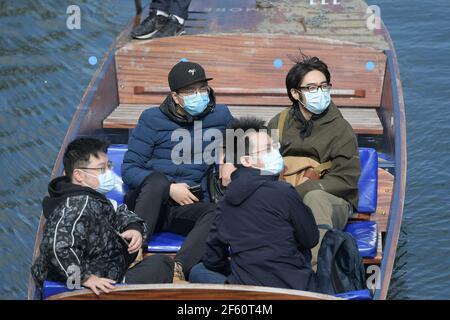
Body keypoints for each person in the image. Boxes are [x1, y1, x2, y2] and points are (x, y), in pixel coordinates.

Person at [121, 61, 234, 281]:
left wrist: (229, 159)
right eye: (191, 91)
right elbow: (129, 169)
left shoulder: (220, 116)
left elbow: (244, 141)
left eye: (203, 89)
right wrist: (170, 188)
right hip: (150, 201)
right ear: (175, 97)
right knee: (157, 181)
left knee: (215, 213)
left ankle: (177, 271)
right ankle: (132, 256)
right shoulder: (151, 119)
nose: (199, 95)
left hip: (187, 206)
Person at [189, 118, 319, 291]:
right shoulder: (284, 192)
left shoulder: (225, 202)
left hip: (248, 292)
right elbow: (310, 239)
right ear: (246, 160)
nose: (276, 152)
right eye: (267, 149)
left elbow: (213, 259)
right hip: (294, 288)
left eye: (274, 146)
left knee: (199, 271)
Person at [31, 138, 174, 296]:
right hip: (84, 288)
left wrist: (134, 228)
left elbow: (119, 213)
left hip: (104, 269)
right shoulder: (77, 206)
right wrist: (85, 278)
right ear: (79, 175)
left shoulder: (94, 197)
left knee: (160, 263)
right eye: (101, 169)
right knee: (163, 265)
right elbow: (56, 247)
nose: (108, 173)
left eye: (109, 166)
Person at [266, 54, 361, 270]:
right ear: (295, 93)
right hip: (285, 193)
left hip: (330, 200)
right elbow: (260, 157)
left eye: (323, 86)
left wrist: (300, 191)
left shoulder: (341, 129)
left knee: (315, 198)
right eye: (310, 88)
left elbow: (346, 180)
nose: (319, 92)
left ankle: (318, 272)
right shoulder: (279, 121)